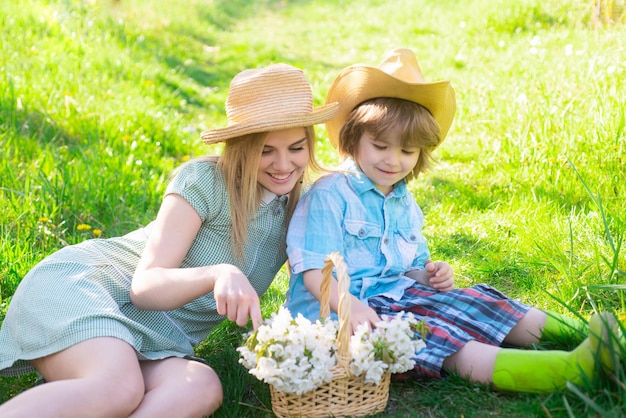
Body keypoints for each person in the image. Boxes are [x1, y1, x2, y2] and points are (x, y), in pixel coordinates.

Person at [0, 63, 338, 417]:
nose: (283, 164)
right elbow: (144, 287)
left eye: (296, 148)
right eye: (265, 151)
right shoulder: (204, 181)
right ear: (240, 147)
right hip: (88, 287)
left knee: (200, 386)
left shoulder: (301, 207)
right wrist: (218, 273)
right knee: (117, 389)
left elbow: (323, 274)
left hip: (156, 338)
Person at [284, 48, 618, 394]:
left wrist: (428, 275)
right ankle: (569, 369)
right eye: (380, 145)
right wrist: (349, 304)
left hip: (396, 292)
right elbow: (315, 272)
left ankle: (591, 334)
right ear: (354, 139)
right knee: (436, 335)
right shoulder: (331, 194)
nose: (393, 161)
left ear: (420, 154)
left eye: (407, 151)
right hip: (340, 311)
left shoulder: (403, 202)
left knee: (479, 301)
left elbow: (409, 268)